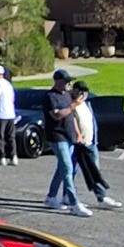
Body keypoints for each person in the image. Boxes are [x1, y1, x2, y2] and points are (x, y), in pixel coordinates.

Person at [42, 69, 88, 215]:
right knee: (67, 168)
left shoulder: (67, 96)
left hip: (69, 136)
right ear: (58, 81)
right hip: (57, 136)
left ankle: (51, 197)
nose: (69, 83)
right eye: (66, 81)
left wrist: (77, 133)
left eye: (70, 81)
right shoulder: (50, 97)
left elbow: (72, 117)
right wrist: (72, 105)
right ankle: (74, 204)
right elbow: (57, 115)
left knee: (62, 168)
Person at [69, 80, 120, 207]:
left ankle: (101, 197)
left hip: (90, 143)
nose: (83, 95)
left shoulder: (87, 105)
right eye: (80, 91)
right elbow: (71, 122)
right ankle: (65, 195)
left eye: (85, 92)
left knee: (95, 171)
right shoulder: (71, 104)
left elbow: (92, 122)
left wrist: (95, 139)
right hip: (78, 144)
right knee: (69, 172)